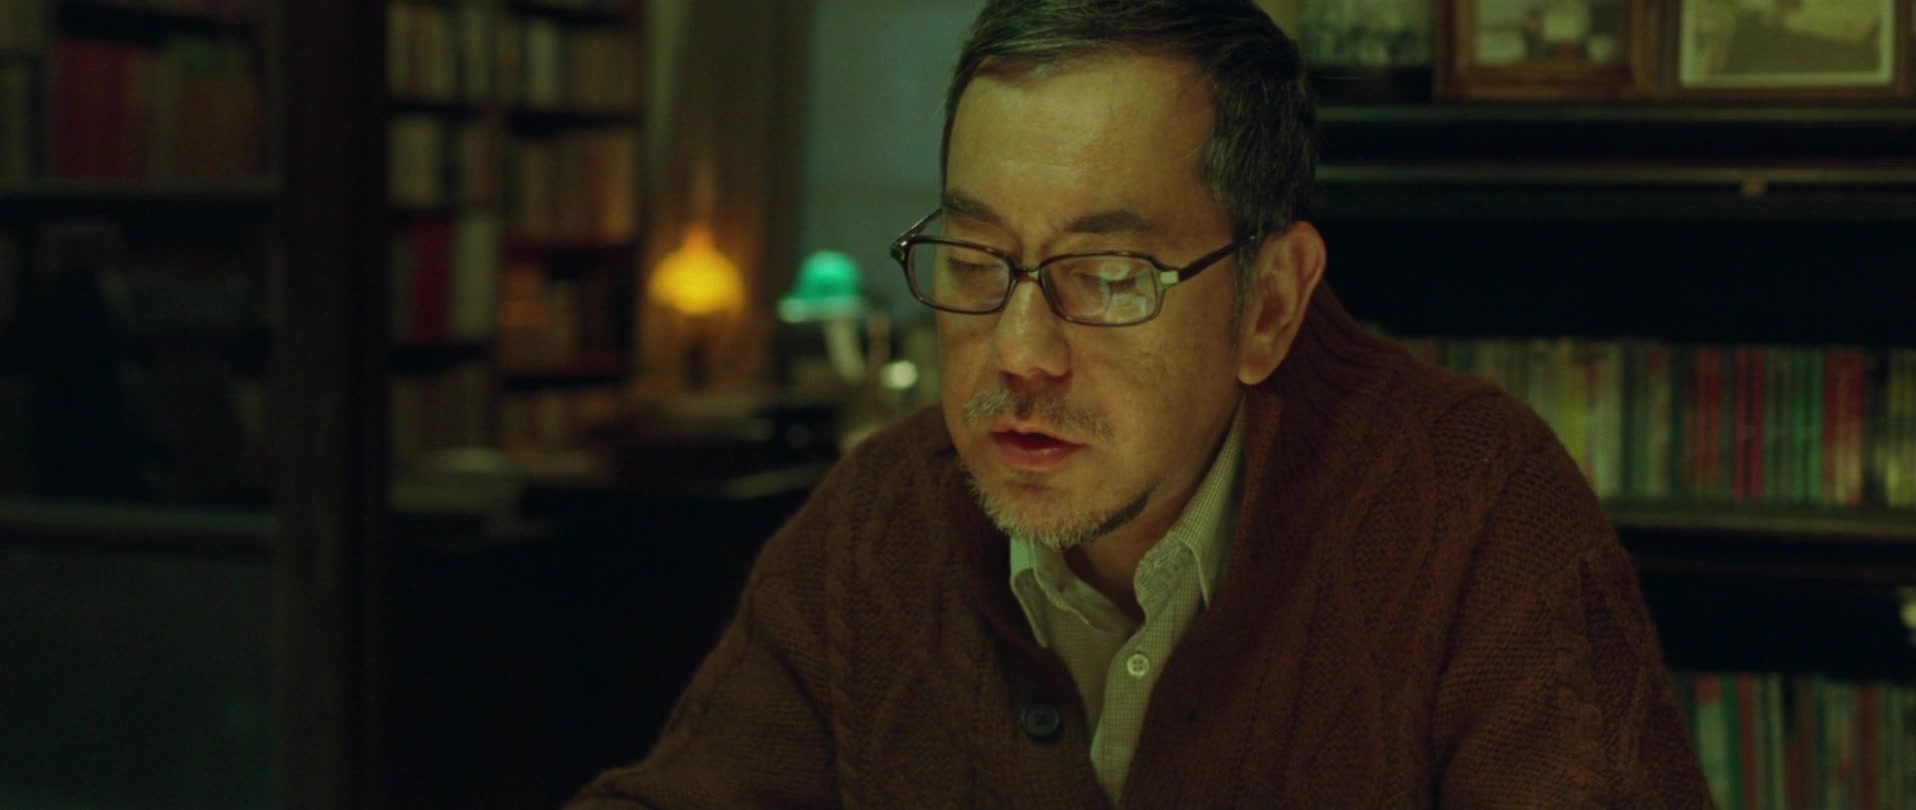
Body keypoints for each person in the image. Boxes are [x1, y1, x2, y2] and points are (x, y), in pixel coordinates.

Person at [570, 1, 1712, 806]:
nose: (1018, 353)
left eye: (1108, 277)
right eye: (975, 258)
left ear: (1269, 305)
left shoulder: (1475, 509)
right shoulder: (880, 519)